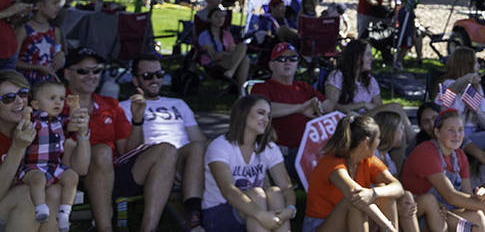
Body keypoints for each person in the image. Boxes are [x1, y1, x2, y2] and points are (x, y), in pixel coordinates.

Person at [62, 47, 168, 232]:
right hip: (73, 173)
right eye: (83, 71)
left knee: (167, 149)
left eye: (96, 71)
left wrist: (137, 120)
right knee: (102, 151)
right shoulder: (56, 103)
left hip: (109, 173)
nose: (91, 76)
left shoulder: (110, 105)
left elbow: (128, 150)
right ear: (68, 74)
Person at [119, 54, 207, 232]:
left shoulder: (179, 104)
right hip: (150, 160)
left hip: (183, 161)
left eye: (159, 74)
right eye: (147, 76)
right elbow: (128, 151)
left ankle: (194, 218)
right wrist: (138, 119)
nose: (155, 80)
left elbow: (199, 140)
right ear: (135, 80)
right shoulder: (125, 106)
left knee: (197, 147)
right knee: (167, 150)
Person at [0, 70, 89, 232]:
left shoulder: (46, 128)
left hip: (21, 208)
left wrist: (83, 134)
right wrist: (17, 148)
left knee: (55, 191)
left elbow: (81, 169)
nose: (19, 102)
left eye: (23, 93)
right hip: (6, 205)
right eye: (8, 98)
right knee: (29, 195)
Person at [401, 110, 485, 232]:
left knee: (483, 212)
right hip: (421, 216)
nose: (457, 135)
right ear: (437, 132)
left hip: (446, 213)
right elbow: (451, 196)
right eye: (451, 130)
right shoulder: (427, 152)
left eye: (460, 130)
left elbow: (467, 195)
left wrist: (480, 196)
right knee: (476, 218)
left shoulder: (459, 155)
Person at [202, 95, 296, 232]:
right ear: (243, 113)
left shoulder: (268, 148)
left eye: (268, 116)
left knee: (275, 192)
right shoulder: (220, 146)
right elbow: (229, 191)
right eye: (261, 113)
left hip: (256, 207)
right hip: (221, 213)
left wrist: (290, 209)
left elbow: (287, 187)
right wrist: (261, 215)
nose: (266, 120)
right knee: (257, 194)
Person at [302, 115, 408, 232]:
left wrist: (374, 193)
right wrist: (387, 226)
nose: (379, 142)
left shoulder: (368, 160)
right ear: (366, 142)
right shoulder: (332, 163)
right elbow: (355, 195)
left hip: (351, 220)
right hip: (318, 224)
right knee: (354, 203)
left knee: (386, 195)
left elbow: (398, 187)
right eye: (378, 138)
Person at [250, 43, 335, 155]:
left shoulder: (303, 87)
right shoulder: (262, 88)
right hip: (280, 152)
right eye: (281, 58)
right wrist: (301, 108)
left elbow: (329, 105)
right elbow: (263, 110)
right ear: (271, 65)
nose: (287, 62)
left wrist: (318, 105)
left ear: (297, 63)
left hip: (311, 150)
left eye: (293, 58)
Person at [18, 80, 81, 230]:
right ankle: (41, 207)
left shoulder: (59, 121)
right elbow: (25, 127)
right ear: (36, 105)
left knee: (72, 176)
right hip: (33, 166)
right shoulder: (36, 121)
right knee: (38, 180)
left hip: (54, 166)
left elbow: (73, 125)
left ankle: (64, 211)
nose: (58, 102)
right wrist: (26, 115)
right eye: (52, 98)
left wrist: (74, 108)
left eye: (61, 98)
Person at [435, 47, 485, 137]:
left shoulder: (476, 87)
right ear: (466, 65)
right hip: (454, 133)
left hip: (474, 133)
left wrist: (475, 109)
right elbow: (444, 104)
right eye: (476, 62)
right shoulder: (448, 84)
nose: (479, 66)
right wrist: (467, 79)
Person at [15, 0, 65, 85]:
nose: (57, 7)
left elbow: (57, 54)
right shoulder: (24, 29)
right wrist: (37, 67)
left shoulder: (55, 31)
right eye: (54, 3)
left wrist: (61, 56)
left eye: (58, 4)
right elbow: (13, 61)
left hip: (47, 83)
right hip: (25, 81)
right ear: (39, 6)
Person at [197, 6, 250, 89]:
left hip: (228, 60)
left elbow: (232, 50)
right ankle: (241, 91)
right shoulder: (204, 35)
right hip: (213, 64)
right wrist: (227, 54)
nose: (220, 19)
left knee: (243, 48)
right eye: (216, 16)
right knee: (245, 59)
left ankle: (232, 72)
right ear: (210, 19)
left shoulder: (227, 34)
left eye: (222, 16)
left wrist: (226, 54)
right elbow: (214, 56)